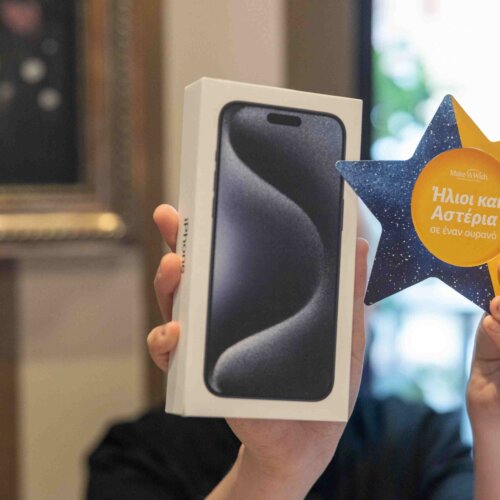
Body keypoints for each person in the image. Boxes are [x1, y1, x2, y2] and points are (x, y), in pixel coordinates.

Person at [87, 204, 500, 499]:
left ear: (371, 303)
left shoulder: (419, 441)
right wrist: (273, 472)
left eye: (339, 283)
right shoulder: (141, 454)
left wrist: (492, 422)